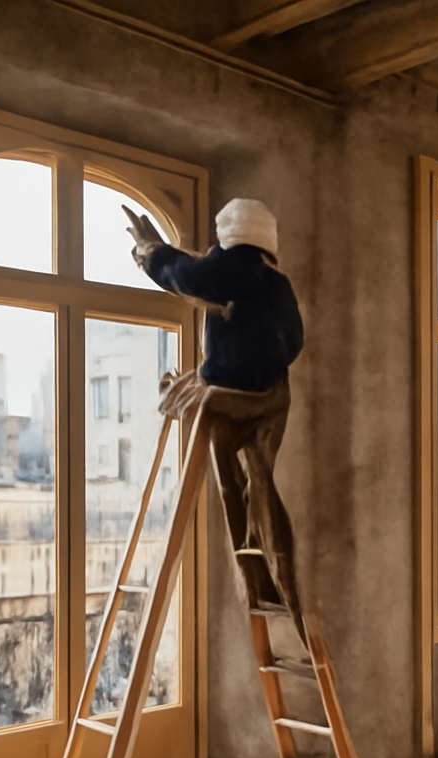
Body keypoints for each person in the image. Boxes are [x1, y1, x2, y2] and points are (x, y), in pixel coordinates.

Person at [126, 198, 307, 640]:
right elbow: (295, 343)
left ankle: (261, 581)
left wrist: (151, 251)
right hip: (275, 394)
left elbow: (186, 276)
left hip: (234, 396)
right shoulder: (277, 283)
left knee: (236, 479)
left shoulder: (232, 272)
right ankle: (277, 583)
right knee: (258, 480)